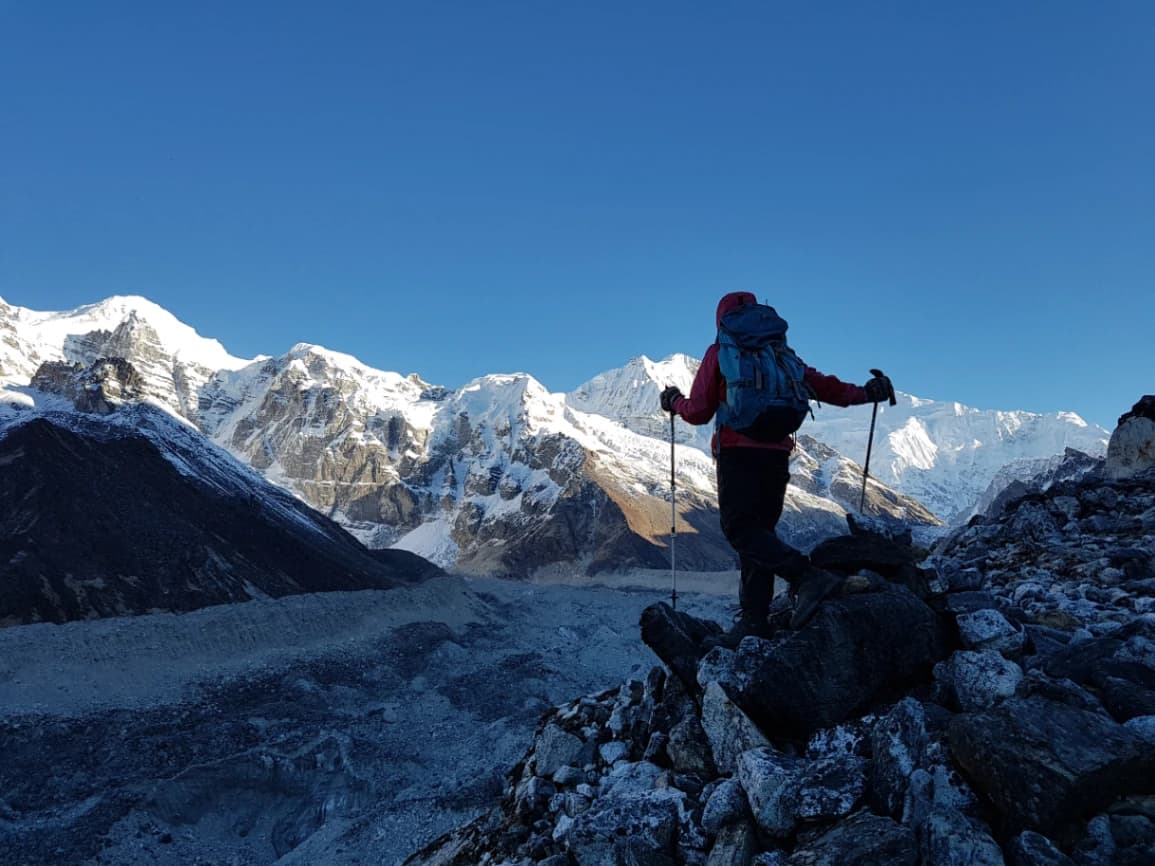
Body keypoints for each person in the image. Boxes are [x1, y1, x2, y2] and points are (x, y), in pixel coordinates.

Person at [660, 291, 893, 643]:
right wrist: (866, 392)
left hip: (738, 454)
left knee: (741, 531)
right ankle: (755, 621)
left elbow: (699, 412)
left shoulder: (721, 353)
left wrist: (675, 401)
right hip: (777, 455)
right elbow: (826, 388)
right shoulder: (784, 356)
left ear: (721, 320)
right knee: (761, 536)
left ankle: (806, 577)